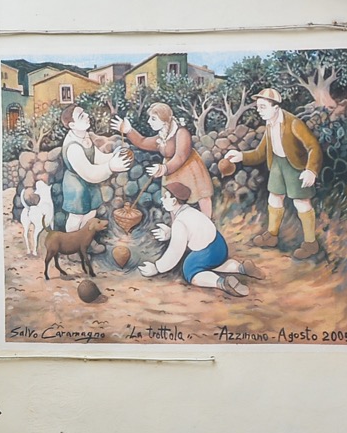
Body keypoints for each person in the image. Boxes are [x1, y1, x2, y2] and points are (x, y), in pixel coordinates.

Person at [225, 88, 324, 259]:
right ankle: (271, 236)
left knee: (301, 202)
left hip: (296, 165)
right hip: (278, 164)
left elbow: (313, 147)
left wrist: (310, 170)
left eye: (262, 107)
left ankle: (310, 243)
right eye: (258, 107)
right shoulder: (269, 125)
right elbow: (260, 153)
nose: (258, 111)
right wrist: (240, 156)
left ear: (275, 108)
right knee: (274, 198)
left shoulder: (293, 123)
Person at [137, 182, 257, 296]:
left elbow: (175, 252)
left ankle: (222, 283)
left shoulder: (179, 222)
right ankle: (241, 268)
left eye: (166, 197)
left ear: (174, 201)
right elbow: (192, 231)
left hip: (207, 252)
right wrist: (170, 234)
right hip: (220, 246)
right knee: (214, 264)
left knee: (190, 270)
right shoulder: (191, 212)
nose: (162, 199)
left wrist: (157, 267)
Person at [120, 101, 213, 216]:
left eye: (153, 119)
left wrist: (163, 169)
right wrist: (129, 130)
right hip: (172, 172)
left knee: (201, 196)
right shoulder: (162, 136)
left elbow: (181, 156)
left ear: (164, 120)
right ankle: (176, 228)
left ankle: (208, 225)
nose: (149, 122)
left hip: (190, 169)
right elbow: (143, 142)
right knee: (172, 201)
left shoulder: (181, 132)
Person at [57, 103, 131, 240]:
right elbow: (89, 173)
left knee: (90, 213)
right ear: (72, 125)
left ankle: (85, 241)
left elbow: (96, 157)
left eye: (84, 113)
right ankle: (71, 243)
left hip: (89, 184)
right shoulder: (73, 147)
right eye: (81, 116)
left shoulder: (84, 136)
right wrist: (111, 167)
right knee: (76, 216)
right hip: (76, 186)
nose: (86, 116)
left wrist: (113, 156)